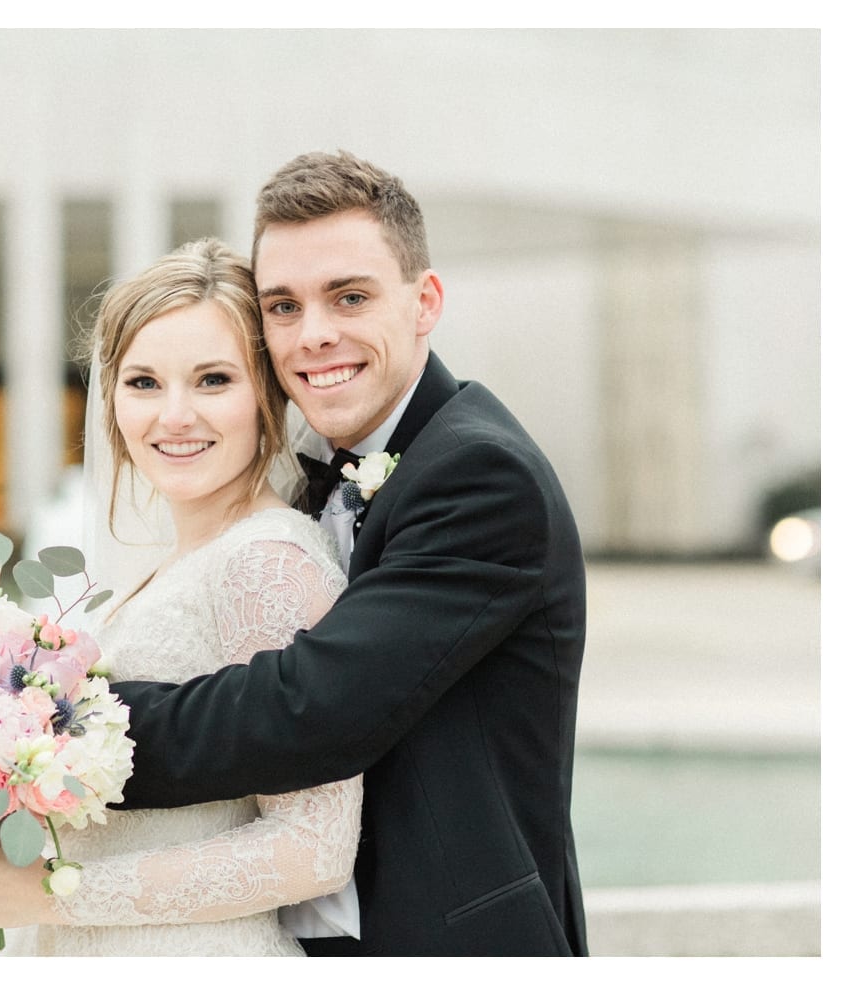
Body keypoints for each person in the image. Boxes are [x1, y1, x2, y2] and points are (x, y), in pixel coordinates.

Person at [108, 150, 590, 956]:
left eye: (350, 296)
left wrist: (52, 730)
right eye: (284, 305)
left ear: (424, 300)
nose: (315, 333)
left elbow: (310, 708)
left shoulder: (480, 475)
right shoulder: (303, 481)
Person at [0, 238, 361, 956]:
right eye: (144, 382)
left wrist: (51, 894)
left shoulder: (265, 563)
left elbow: (313, 846)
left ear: (267, 396)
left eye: (213, 380)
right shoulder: (168, 562)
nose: (174, 415)